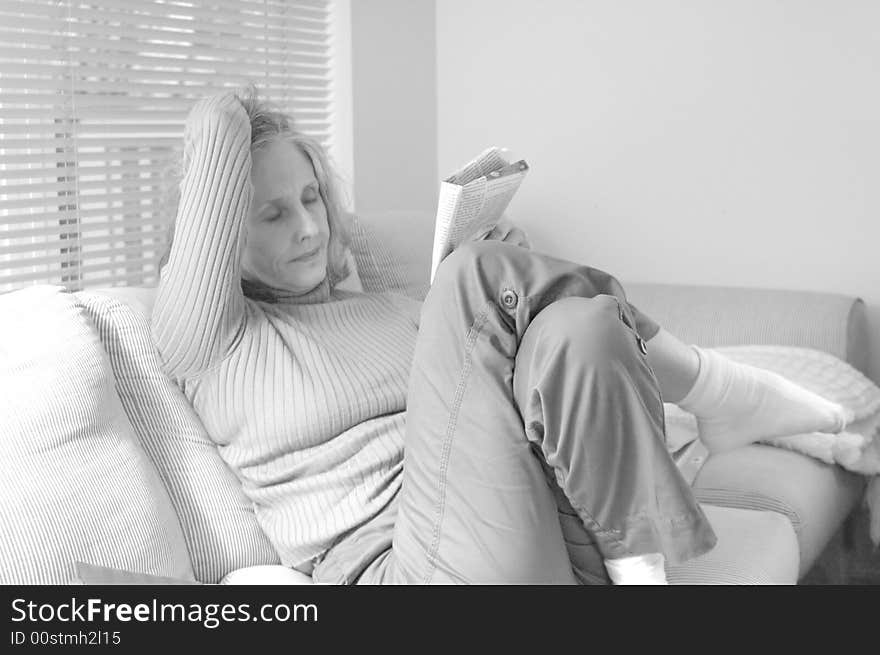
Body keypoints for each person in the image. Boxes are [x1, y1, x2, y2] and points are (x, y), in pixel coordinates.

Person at [152, 88, 850, 585]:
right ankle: (722, 389)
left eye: (310, 199)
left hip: (552, 539)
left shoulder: (394, 307)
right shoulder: (212, 340)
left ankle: (642, 573)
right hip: (415, 570)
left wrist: (507, 277)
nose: (307, 227)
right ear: (216, 235)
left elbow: (517, 399)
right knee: (477, 278)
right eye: (271, 214)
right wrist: (478, 278)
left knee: (579, 325)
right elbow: (215, 122)